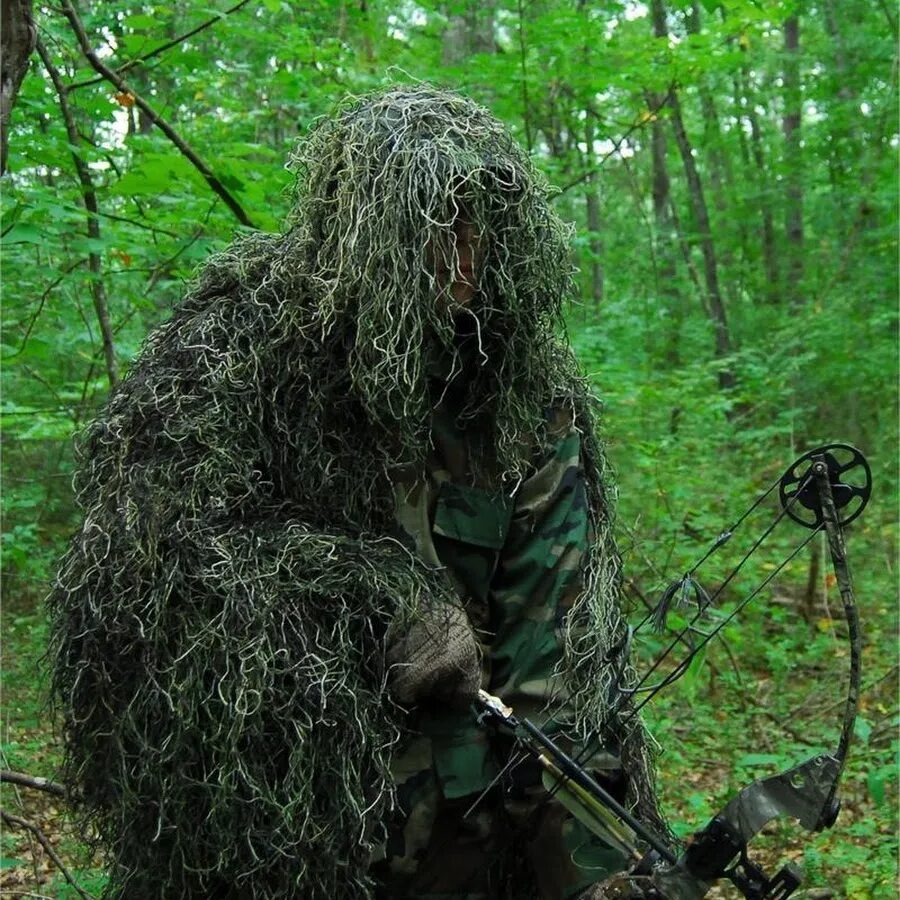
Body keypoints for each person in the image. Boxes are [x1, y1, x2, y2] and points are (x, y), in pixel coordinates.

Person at [49, 86, 668, 899]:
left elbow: (553, 659)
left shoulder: (520, 398)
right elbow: (143, 569)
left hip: (464, 843)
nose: (463, 259)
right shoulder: (235, 354)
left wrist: (596, 873)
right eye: (434, 228)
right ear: (359, 231)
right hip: (274, 838)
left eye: (479, 226)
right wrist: (371, 599)